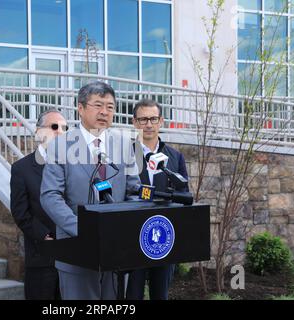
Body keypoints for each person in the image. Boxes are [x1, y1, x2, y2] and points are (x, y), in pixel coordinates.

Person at [40, 81, 140, 300]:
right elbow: (50, 196)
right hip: (76, 248)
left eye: (110, 107)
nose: (104, 112)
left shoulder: (124, 145)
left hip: (116, 251)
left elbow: (133, 190)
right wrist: (83, 229)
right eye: (97, 105)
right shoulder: (60, 146)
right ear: (81, 108)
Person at [126, 98, 189, 300]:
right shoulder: (125, 153)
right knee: (132, 295)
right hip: (132, 236)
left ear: (161, 121)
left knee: (160, 294)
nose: (149, 125)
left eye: (153, 119)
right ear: (135, 122)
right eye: (143, 120)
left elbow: (184, 195)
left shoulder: (175, 157)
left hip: (163, 236)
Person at [10, 109, 68, 300]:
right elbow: (20, 212)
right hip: (42, 256)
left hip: (73, 256)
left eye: (64, 128)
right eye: (54, 127)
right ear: (38, 132)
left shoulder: (76, 165)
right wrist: (44, 234)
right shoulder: (22, 168)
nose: (60, 132)